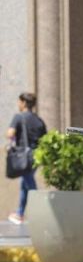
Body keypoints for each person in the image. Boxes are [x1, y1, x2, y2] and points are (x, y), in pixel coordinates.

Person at [6, 93, 47, 225]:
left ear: (23, 103)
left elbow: (10, 133)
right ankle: (20, 213)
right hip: (36, 155)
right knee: (25, 183)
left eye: (19, 102)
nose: (18, 104)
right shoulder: (39, 120)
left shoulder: (19, 117)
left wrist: (12, 141)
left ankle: (42, 210)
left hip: (24, 155)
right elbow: (45, 138)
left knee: (29, 184)